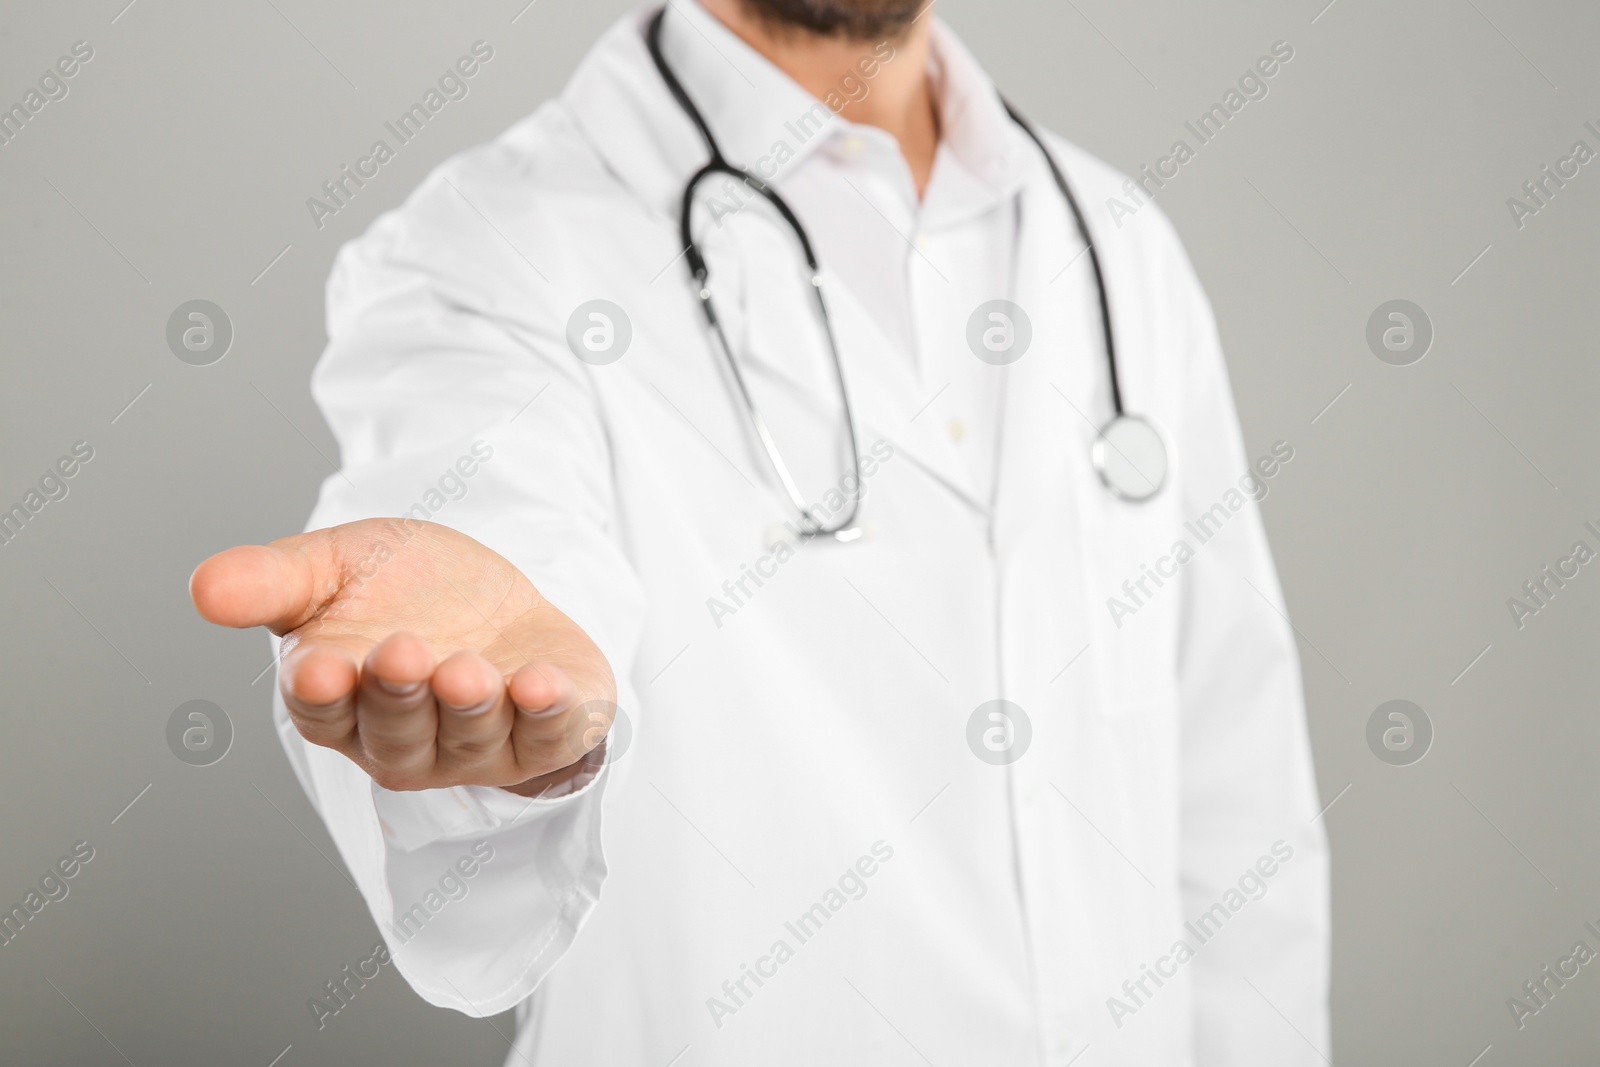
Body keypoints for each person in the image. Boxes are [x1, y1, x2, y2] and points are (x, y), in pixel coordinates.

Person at [189, 1, 1329, 1062]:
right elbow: (489, 556)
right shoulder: (486, 253)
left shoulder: (1116, 244)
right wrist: (495, 744)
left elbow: (1239, 799)